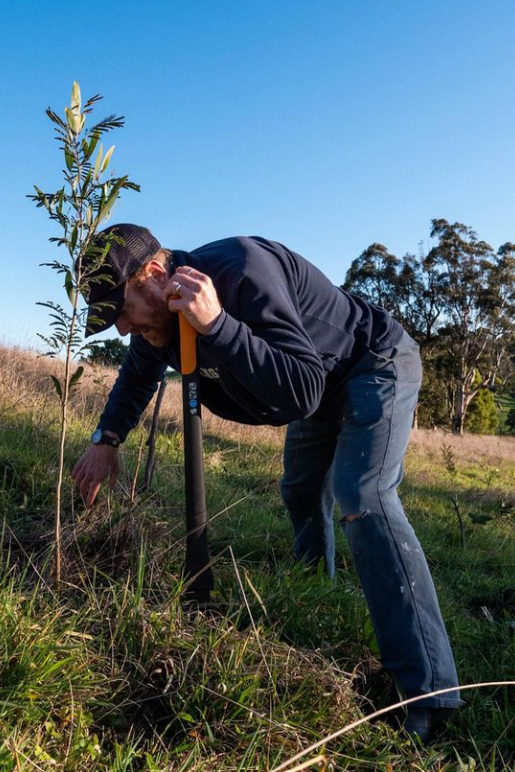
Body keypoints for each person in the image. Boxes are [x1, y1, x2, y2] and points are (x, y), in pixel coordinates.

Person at [72, 223, 463, 741]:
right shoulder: (160, 319)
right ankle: (316, 595)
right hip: (319, 387)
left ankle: (428, 692)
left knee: (362, 495)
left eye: (120, 311)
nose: (121, 328)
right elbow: (138, 374)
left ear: (152, 273)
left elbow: (301, 389)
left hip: (372, 363)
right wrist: (107, 438)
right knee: (300, 492)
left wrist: (218, 326)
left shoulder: (240, 271)